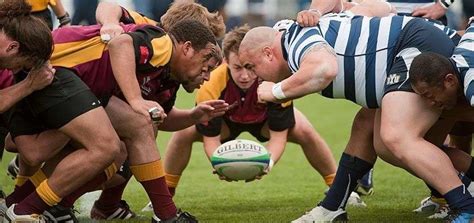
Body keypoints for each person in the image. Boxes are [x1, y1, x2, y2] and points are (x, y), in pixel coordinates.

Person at [238, 12, 474, 222]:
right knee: (376, 135)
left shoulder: (295, 40)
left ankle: (466, 206)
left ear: (268, 53)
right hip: (406, 50)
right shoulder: (293, 33)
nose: (253, 76)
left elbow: (324, 69)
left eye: (251, 66)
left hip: (414, 47)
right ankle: (332, 208)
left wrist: (275, 91)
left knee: (395, 136)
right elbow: (377, 9)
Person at [161, 24, 345, 201]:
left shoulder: (275, 78)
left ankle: (337, 187)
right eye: (237, 67)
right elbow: (211, 140)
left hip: (264, 121)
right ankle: (165, 195)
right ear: (225, 62)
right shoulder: (211, 84)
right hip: (226, 123)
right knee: (183, 132)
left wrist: (267, 164)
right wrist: (221, 165)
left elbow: (278, 138)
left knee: (304, 129)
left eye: (249, 67)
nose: (244, 76)